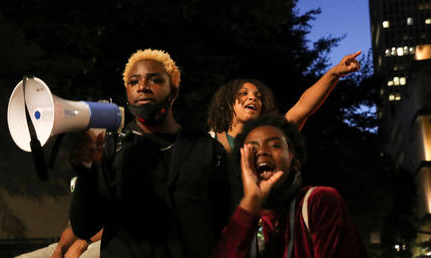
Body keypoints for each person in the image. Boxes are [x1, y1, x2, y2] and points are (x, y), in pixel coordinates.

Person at [68, 49, 231, 258]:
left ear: (173, 91)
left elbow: (225, 221)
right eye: (133, 82)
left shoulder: (207, 149)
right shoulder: (109, 148)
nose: (142, 87)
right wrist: (86, 173)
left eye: (155, 80)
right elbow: (84, 227)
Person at [211, 113, 368, 258]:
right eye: (252, 148)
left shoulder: (319, 202)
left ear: (295, 161)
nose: (262, 152)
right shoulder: (243, 223)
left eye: (274, 145)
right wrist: (251, 199)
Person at [207, 51, 362, 153]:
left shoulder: (271, 138)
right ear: (228, 103)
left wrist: (334, 73)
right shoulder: (209, 142)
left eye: (258, 96)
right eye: (244, 93)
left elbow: (302, 108)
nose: (253, 98)